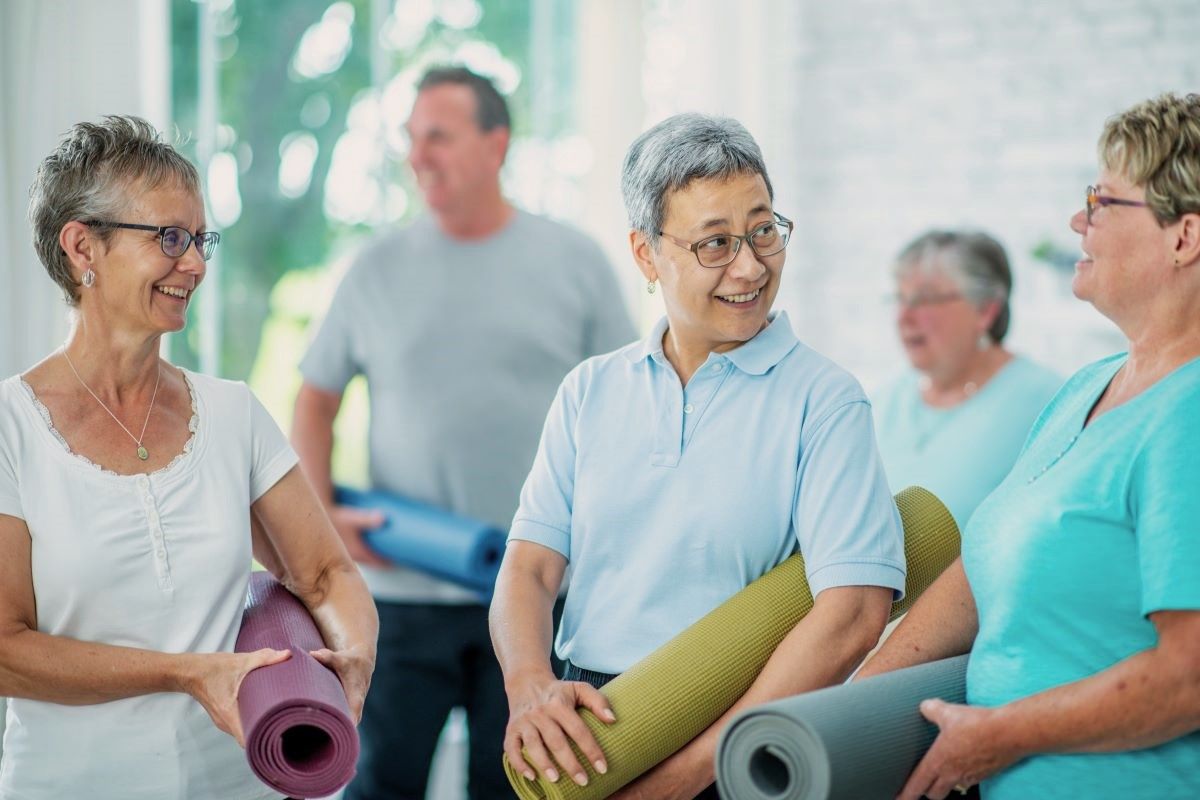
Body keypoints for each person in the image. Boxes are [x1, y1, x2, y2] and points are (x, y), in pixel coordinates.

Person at [490, 113, 906, 800]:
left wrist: (688, 776)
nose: (750, 267)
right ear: (647, 254)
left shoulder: (826, 401)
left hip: (741, 728)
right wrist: (529, 685)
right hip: (592, 726)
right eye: (715, 243)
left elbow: (854, 613)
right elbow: (530, 568)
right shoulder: (589, 390)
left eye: (764, 230)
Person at [0, 116, 377, 799]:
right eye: (170, 238)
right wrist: (184, 671)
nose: (196, 264)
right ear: (83, 246)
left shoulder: (232, 413)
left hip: (239, 783)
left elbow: (324, 575)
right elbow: (5, 648)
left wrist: (354, 656)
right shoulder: (9, 428)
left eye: (202, 239)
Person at [293, 66, 635, 800]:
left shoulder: (574, 261)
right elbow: (315, 398)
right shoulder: (375, 268)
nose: (419, 156)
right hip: (402, 597)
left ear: (495, 144)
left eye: (439, 137)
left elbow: (628, 405)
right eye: (412, 140)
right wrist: (320, 518)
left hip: (539, 590)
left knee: (519, 784)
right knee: (378, 782)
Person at [856, 92, 1200, 800]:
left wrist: (1000, 734)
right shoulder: (1087, 387)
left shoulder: (1189, 413)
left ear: (1183, 237)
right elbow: (976, 579)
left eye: (1102, 202)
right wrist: (848, 708)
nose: (1078, 220)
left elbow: (1189, 675)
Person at [872, 230, 1061, 528]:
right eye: (900, 298)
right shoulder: (881, 402)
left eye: (924, 299)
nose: (903, 317)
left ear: (985, 310)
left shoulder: (1050, 403)